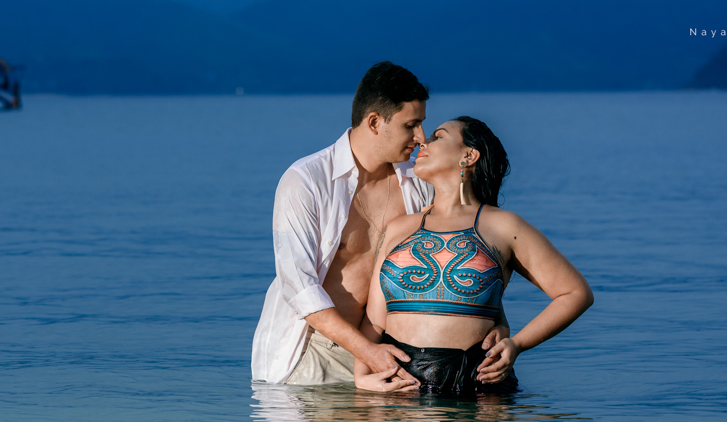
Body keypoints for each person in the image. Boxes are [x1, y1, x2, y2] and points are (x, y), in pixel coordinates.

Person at [251, 62, 509, 385]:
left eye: (422, 124)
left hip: (393, 353)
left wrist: (499, 321)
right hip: (315, 353)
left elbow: (467, 252)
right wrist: (367, 352)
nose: (421, 138)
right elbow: (299, 287)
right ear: (374, 122)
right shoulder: (306, 182)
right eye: (411, 125)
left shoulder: (419, 182)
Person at [354, 116, 594, 395]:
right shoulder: (398, 229)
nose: (422, 142)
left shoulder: (505, 227)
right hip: (401, 388)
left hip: (478, 389)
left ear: (469, 155)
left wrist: (517, 344)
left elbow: (575, 293)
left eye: (438, 136)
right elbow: (374, 321)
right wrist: (362, 376)